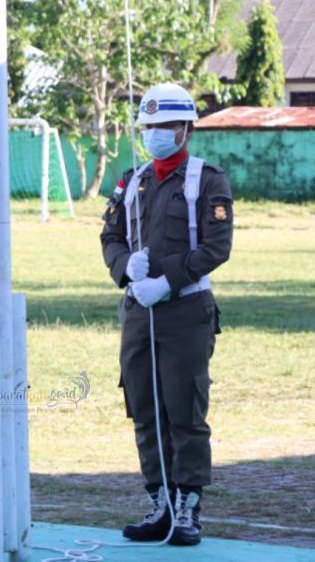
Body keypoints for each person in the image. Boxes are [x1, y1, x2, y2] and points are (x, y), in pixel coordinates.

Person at [100, 83, 234, 547]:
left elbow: (217, 247)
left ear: (186, 128)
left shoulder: (206, 180)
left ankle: (187, 506)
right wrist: (125, 268)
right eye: (149, 126)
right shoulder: (132, 180)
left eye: (165, 126)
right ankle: (158, 500)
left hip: (185, 310)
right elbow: (111, 237)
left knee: (184, 410)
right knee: (143, 408)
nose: (156, 134)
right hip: (139, 309)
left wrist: (167, 279)